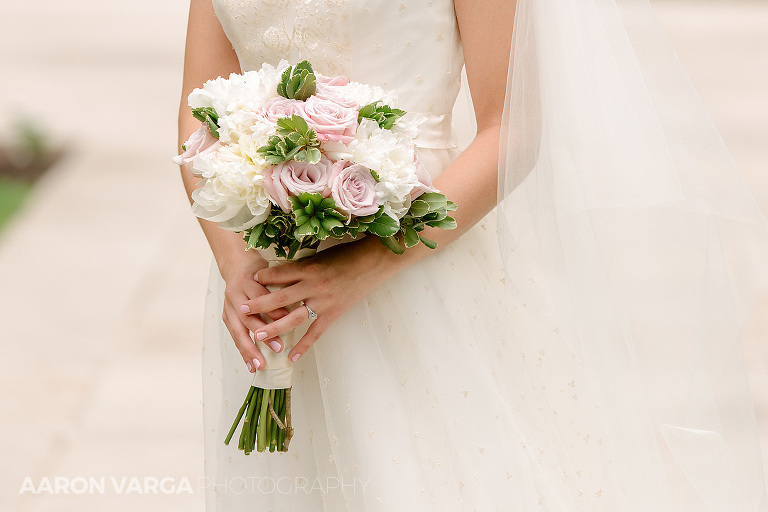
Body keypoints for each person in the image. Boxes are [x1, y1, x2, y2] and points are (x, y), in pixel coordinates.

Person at [177, 0, 768, 510]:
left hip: (414, 254)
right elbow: (197, 111)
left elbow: (514, 126)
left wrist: (362, 267)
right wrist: (237, 267)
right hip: (266, 276)